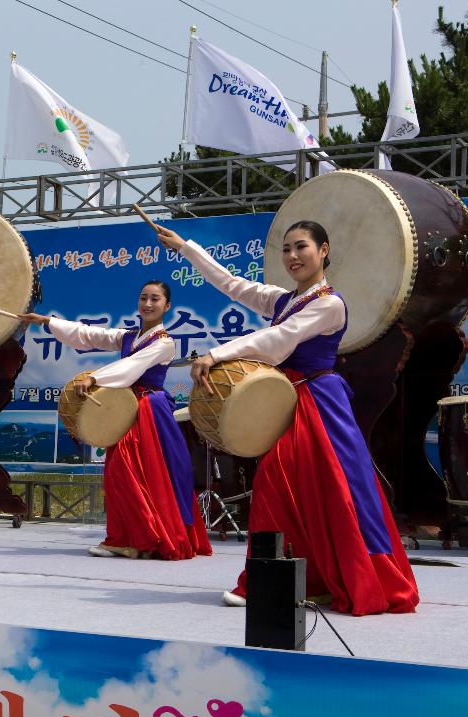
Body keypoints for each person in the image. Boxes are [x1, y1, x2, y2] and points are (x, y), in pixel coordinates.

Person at [157, 221, 419, 615]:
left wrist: (217, 354)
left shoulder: (329, 303)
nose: (293, 256)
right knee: (288, 489)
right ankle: (296, 578)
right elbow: (232, 284)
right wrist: (186, 248)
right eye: (287, 249)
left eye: (302, 247)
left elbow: (278, 342)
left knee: (328, 490)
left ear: (324, 250)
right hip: (290, 400)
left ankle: (318, 577)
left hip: (319, 404)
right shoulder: (284, 300)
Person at [19, 282, 212, 561]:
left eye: (155, 299)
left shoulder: (164, 343)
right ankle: (133, 538)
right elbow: (89, 334)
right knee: (122, 473)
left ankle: (143, 538)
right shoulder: (128, 337)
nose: (147, 303)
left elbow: (132, 367)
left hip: (149, 410)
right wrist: (48, 322)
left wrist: (96, 378)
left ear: (166, 306)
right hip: (127, 407)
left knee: (136, 473)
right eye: (143, 298)